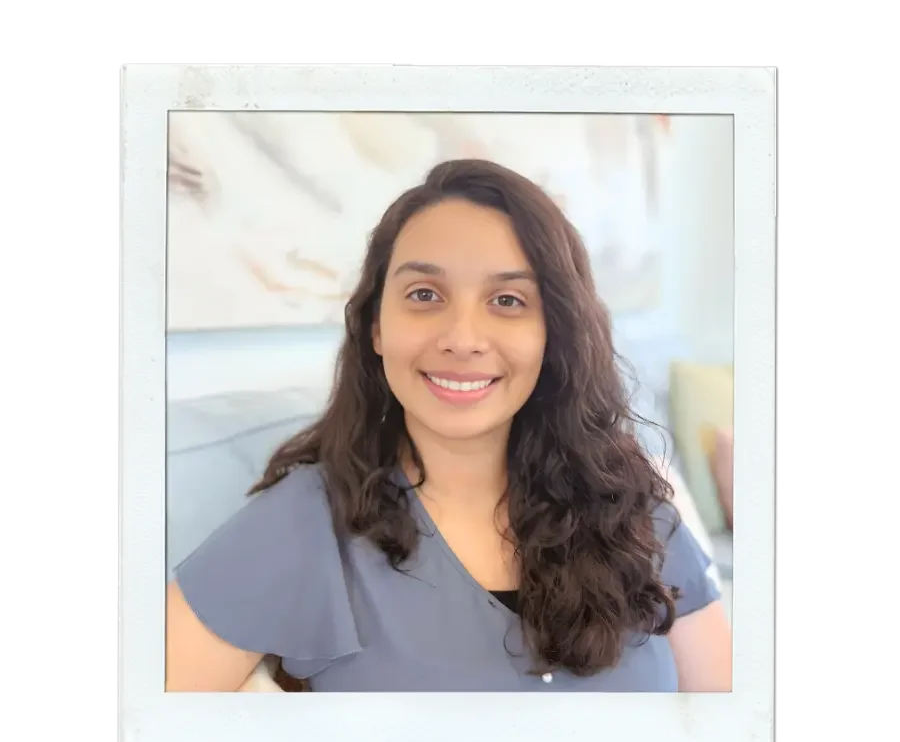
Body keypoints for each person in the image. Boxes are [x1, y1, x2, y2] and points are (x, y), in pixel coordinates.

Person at [166, 158, 733, 693]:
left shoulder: (635, 507)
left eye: (508, 300)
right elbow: (140, 731)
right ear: (376, 327)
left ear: (553, 333)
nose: (462, 337)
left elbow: (732, 733)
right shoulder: (305, 520)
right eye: (424, 294)